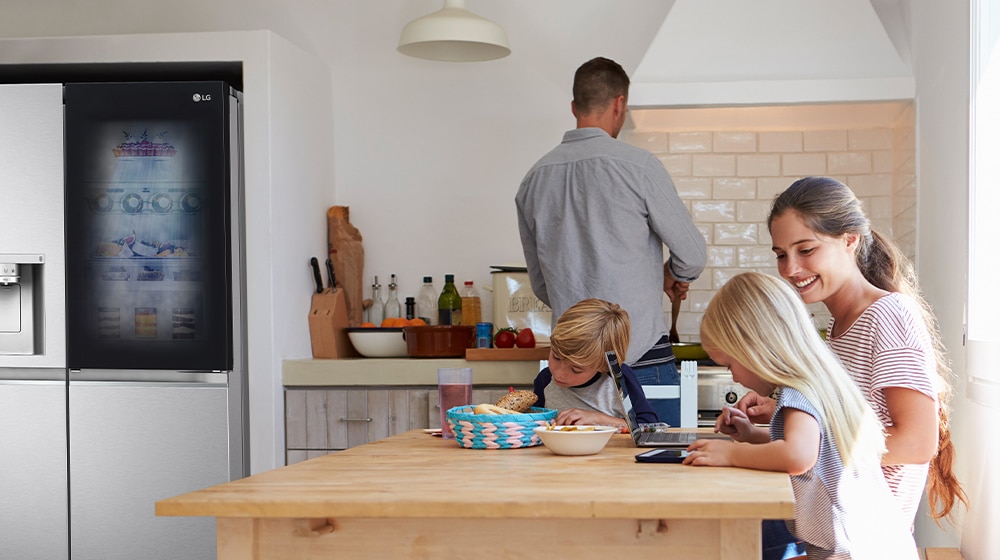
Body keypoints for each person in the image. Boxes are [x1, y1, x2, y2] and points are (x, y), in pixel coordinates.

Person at [735, 176, 967, 527]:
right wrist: (776, 424)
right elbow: (851, 428)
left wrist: (806, 446)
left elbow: (917, 442)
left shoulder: (888, 316)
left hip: (865, 540)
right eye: (782, 255)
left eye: (806, 250)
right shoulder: (840, 327)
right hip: (834, 533)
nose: (790, 269)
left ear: (849, 240)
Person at [516, 56, 706, 428]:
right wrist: (668, 274)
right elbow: (693, 256)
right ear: (620, 104)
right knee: (653, 470)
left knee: (565, 476)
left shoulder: (533, 180)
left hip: (569, 372)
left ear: (574, 107)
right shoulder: (639, 166)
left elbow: (542, 286)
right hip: (641, 361)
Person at [686, 272, 919, 559]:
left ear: (755, 350)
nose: (732, 374)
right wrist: (752, 435)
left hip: (849, 552)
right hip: (872, 546)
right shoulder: (819, 380)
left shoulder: (798, 391)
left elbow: (798, 456)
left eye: (729, 363)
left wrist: (730, 455)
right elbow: (819, 447)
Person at [531, 298, 656, 428]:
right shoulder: (545, 380)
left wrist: (599, 418)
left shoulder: (618, 379)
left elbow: (649, 427)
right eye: (556, 357)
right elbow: (532, 425)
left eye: (576, 369)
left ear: (603, 366)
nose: (559, 373)